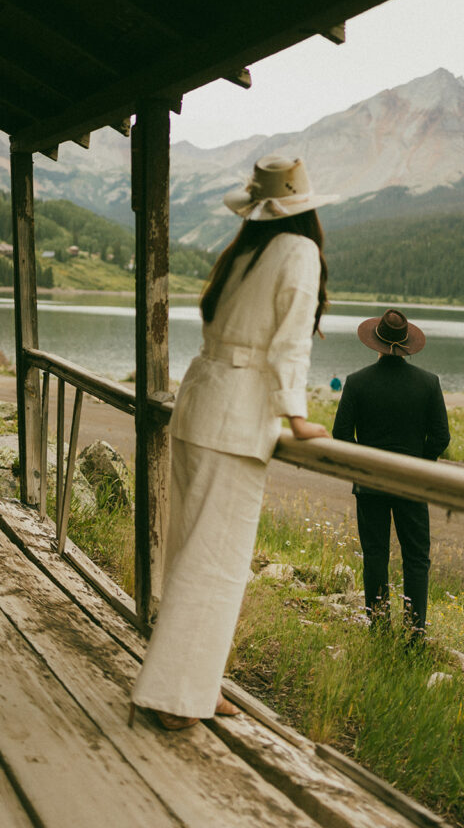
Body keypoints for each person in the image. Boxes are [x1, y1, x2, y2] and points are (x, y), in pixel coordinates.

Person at [129, 154, 337, 730]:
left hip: (200, 404)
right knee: (215, 563)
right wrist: (298, 418)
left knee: (188, 554)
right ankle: (175, 699)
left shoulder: (242, 253)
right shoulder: (299, 253)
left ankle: (192, 685)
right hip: (237, 419)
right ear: (306, 207)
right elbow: (290, 345)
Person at [332, 309, 450, 638]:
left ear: (376, 342)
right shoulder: (428, 383)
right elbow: (441, 437)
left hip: (369, 483)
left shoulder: (357, 383)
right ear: (407, 343)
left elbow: (340, 435)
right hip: (412, 484)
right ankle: (414, 634)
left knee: (375, 555)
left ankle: (379, 631)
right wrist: (418, 465)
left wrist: (364, 462)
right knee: (416, 559)